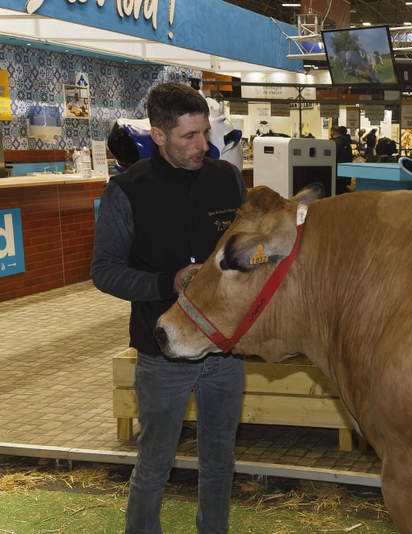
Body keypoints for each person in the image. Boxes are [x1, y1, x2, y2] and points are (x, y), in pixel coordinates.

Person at [91, 82, 247, 534]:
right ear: (158, 136)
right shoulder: (127, 191)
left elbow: (238, 251)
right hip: (163, 355)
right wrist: (168, 282)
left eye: (205, 134)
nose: (204, 145)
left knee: (220, 460)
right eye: (189, 137)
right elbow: (104, 272)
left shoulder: (225, 177)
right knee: (154, 463)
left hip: (223, 351)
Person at [330, 125, 353, 194]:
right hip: (345, 173)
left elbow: (332, 157)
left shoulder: (335, 143)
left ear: (333, 132)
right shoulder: (347, 142)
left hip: (337, 174)